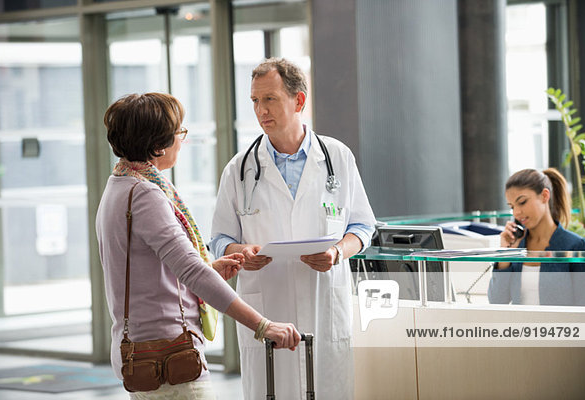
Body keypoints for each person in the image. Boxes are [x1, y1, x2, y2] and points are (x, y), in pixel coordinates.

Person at [96, 92, 301, 400]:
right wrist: (263, 326)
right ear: (157, 145)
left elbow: (152, 272)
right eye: (180, 133)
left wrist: (211, 268)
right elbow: (192, 271)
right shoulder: (146, 195)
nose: (183, 140)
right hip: (168, 356)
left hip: (144, 352)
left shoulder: (119, 185)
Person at [210, 58, 376, 400]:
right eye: (255, 101)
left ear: (299, 101)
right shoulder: (239, 169)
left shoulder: (337, 157)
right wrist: (240, 252)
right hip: (266, 307)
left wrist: (336, 252)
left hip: (323, 306)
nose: (260, 110)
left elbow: (362, 225)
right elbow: (219, 239)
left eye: (269, 98)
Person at [488, 168, 585, 306]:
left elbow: (584, 308)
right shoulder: (517, 246)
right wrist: (505, 254)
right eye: (512, 206)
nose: (517, 212)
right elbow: (497, 301)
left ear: (544, 196)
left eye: (522, 202)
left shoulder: (576, 246)